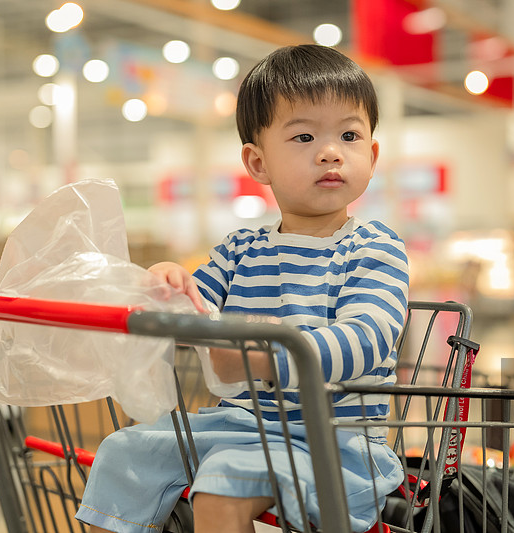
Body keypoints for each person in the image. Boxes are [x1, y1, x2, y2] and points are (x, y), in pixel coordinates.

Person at [75, 44, 409, 533]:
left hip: (335, 441)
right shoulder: (240, 249)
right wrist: (168, 284)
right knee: (122, 453)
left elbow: (368, 339)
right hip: (239, 426)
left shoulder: (374, 247)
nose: (330, 151)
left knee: (222, 483)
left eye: (349, 135)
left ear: (372, 156)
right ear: (258, 163)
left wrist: (263, 360)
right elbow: (192, 314)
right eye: (304, 136)